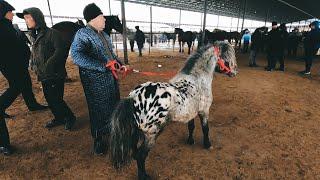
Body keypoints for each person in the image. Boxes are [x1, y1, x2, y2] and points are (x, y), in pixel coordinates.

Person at [71, 3, 126, 154]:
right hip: (94, 82)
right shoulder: (82, 34)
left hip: (111, 80)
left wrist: (121, 65)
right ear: (93, 18)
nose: (105, 20)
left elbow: (112, 56)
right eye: (102, 17)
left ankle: (112, 131)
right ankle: (98, 139)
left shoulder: (105, 35)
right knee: (98, 109)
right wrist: (103, 66)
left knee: (113, 105)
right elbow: (77, 56)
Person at [18, 7, 76, 130]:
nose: (26, 20)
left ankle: (70, 118)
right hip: (44, 74)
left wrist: (48, 64)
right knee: (50, 99)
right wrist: (33, 64)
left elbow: (60, 50)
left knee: (57, 99)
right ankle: (59, 118)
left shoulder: (53, 33)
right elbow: (36, 52)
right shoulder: (34, 34)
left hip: (55, 74)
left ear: (37, 18)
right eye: (25, 18)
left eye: (28, 18)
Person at [0, 1, 47, 119]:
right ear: (3, 13)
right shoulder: (2, 28)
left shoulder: (7, 25)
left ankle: (32, 105)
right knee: (16, 86)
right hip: (11, 64)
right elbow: (10, 47)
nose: (12, 14)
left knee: (26, 83)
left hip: (18, 63)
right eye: (10, 12)